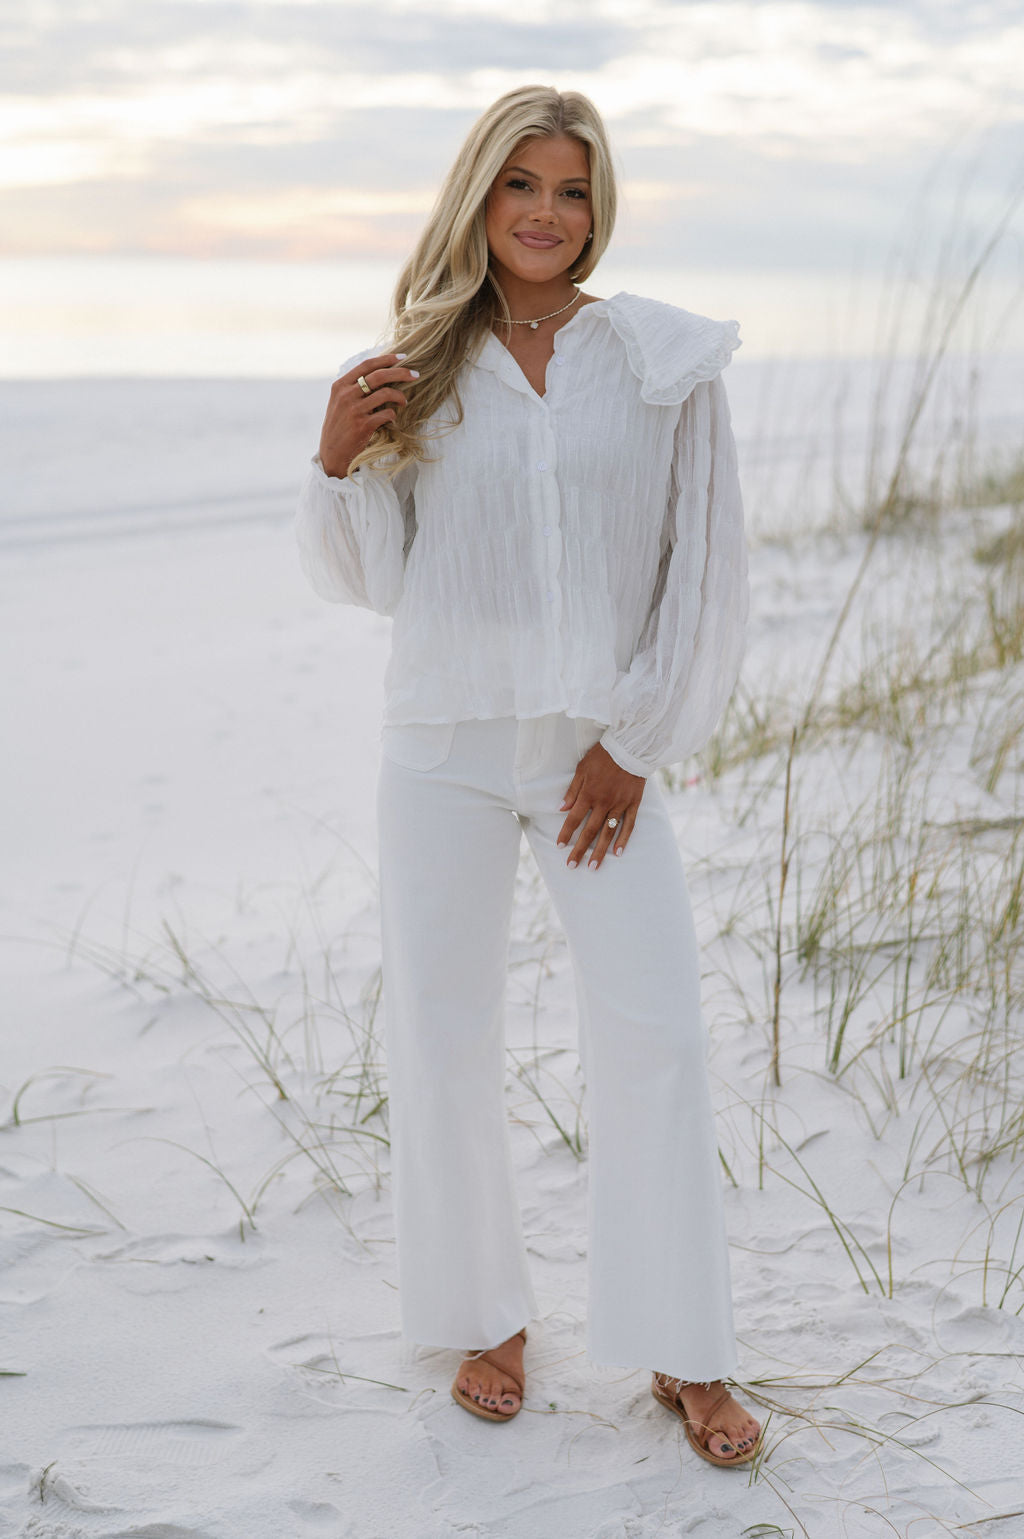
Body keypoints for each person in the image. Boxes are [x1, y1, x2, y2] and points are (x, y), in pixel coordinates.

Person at [294, 84, 762, 1466]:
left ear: (597, 205)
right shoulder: (417, 365)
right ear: (478, 201)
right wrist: (334, 465)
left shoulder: (665, 360)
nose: (546, 214)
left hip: (591, 757)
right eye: (521, 187)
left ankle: (688, 1353)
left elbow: (707, 569)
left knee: (657, 1035)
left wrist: (636, 741)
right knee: (441, 1034)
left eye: (570, 188)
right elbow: (380, 582)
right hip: (437, 745)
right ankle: (485, 1318)